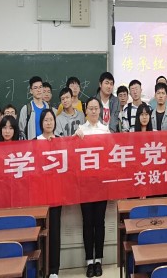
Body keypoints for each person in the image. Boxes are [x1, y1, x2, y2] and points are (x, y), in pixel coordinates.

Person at [74, 97, 109, 277]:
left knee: (99, 222)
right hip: (85, 184)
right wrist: (75, 139)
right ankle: (89, 261)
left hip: (101, 183)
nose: (94, 111)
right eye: (91, 108)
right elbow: (73, 155)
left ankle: (99, 260)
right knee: (87, 222)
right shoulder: (80, 130)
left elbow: (110, 155)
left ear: (100, 111)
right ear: (86, 111)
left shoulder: (106, 131)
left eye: (96, 108)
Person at [35, 108, 61, 277]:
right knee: (39, 231)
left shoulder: (61, 141)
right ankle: (40, 267)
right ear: (41, 123)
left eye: (51, 119)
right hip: (39, 195)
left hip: (57, 193)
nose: (49, 123)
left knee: (55, 231)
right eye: (46, 120)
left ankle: (53, 270)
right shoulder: (34, 142)